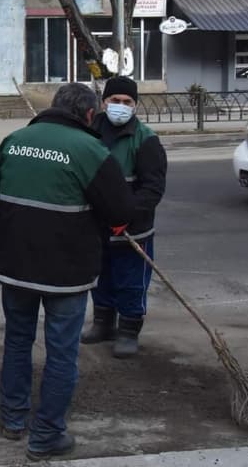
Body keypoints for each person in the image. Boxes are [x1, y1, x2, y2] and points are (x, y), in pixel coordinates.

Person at [0, 83, 134, 462]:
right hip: (67, 274)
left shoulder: (14, 141)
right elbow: (120, 212)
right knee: (62, 353)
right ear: (90, 114)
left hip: (14, 267)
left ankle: (13, 419)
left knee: (17, 342)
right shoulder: (91, 150)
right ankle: (46, 435)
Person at [81, 76, 167, 358]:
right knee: (100, 277)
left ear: (135, 106)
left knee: (131, 283)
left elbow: (152, 189)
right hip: (97, 227)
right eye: (115, 100)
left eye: (127, 102)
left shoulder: (145, 140)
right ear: (104, 102)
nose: (120, 106)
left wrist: (125, 216)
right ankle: (103, 323)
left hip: (132, 230)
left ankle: (129, 330)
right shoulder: (88, 133)